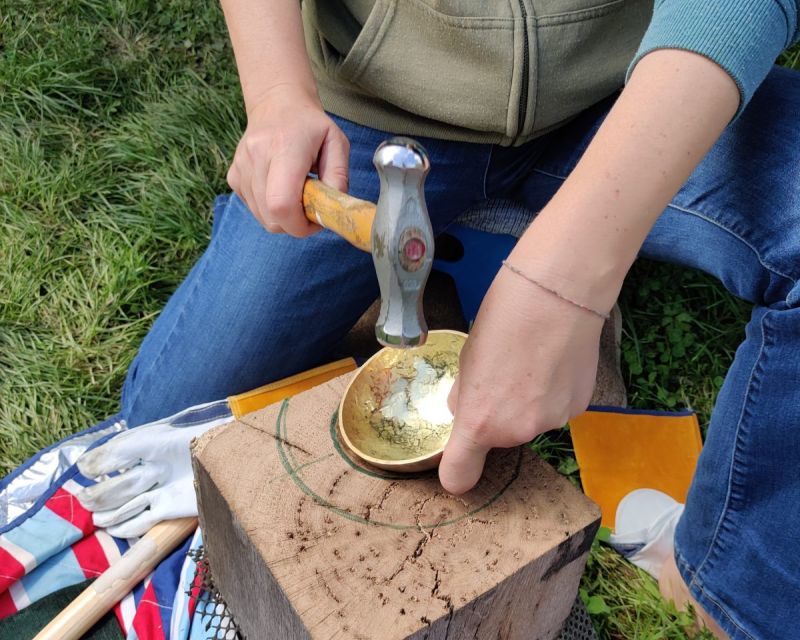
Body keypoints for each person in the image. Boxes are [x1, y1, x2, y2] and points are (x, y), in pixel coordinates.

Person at [116, 1, 800, 638]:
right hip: (377, 117)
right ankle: (470, 238)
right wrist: (274, 94)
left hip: (629, 96)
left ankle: (719, 592)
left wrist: (575, 271)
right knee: (169, 415)